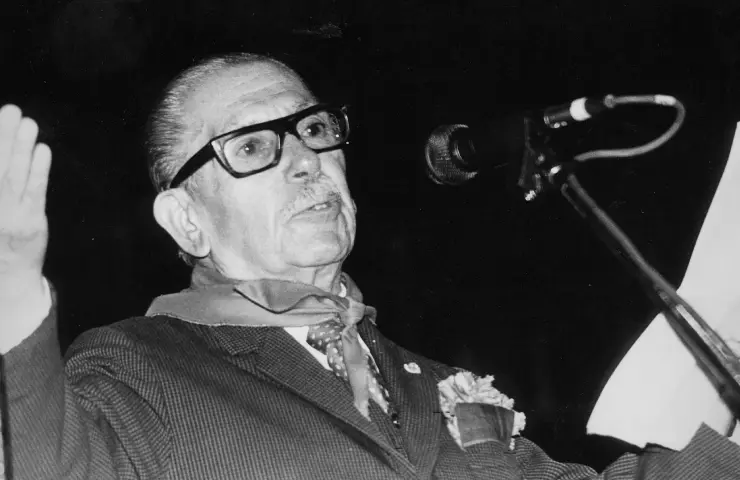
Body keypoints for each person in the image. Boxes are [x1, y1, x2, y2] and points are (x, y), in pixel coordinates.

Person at [0, 52, 738, 480]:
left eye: (314, 129)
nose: (306, 161)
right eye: (253, 146)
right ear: (187, 218)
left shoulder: (434, 380)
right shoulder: (139, 366)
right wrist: (13, 310)